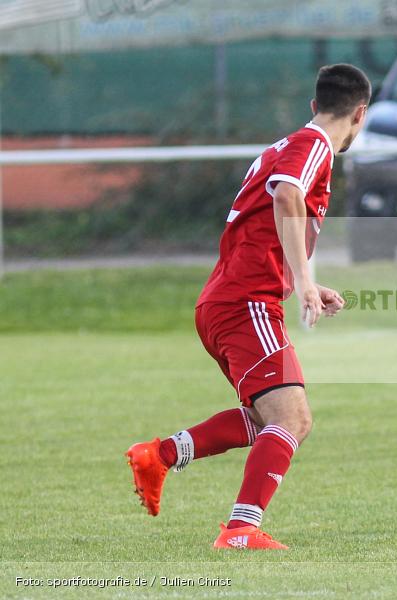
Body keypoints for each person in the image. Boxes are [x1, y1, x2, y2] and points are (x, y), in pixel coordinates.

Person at [125, 64, 371, 550]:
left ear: (314, 103)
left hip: (229, 299)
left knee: (266, 418)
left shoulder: (286, 145)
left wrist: (306, 281)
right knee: (292, 419)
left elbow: (269, 219)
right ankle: (241, 530)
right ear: (360, 114)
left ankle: (160, 455)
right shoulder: (315, 145)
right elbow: (286, 197)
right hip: (245, 302)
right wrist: (300, 281)